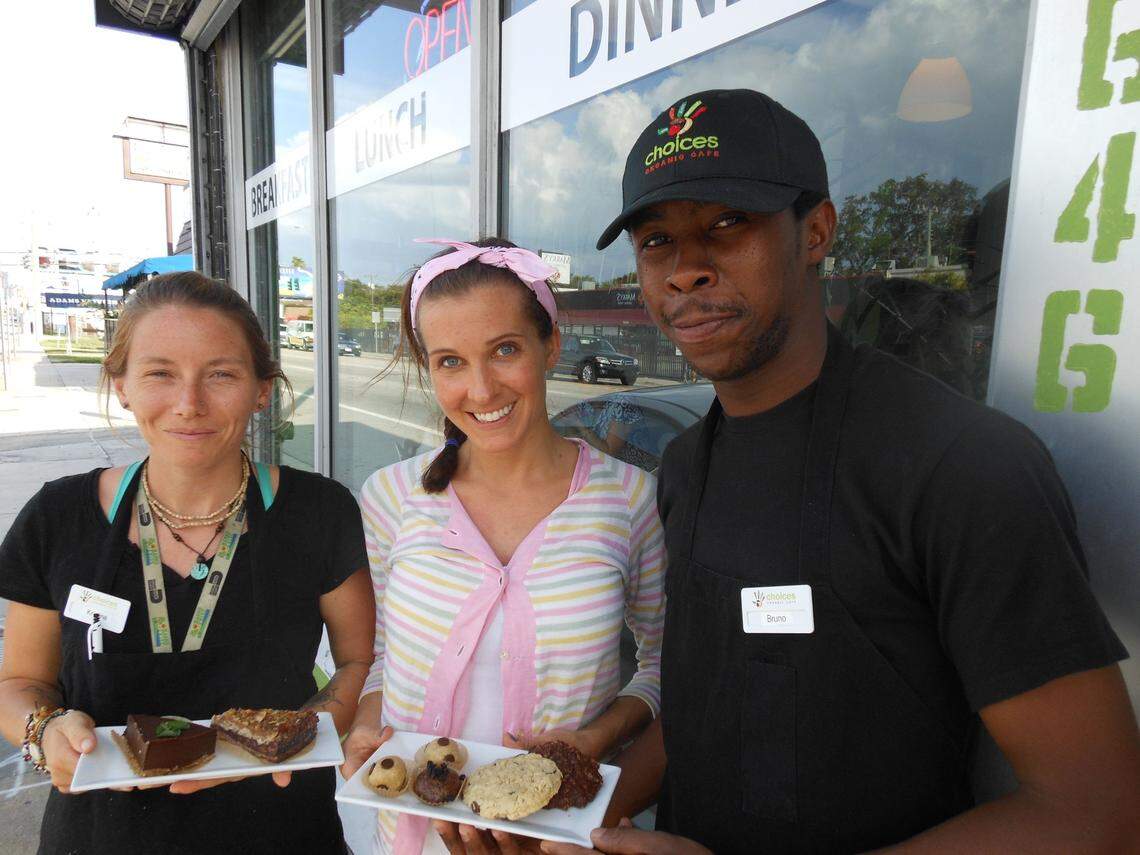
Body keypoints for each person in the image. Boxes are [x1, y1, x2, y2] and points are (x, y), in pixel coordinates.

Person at [547, 88, 1139, 853]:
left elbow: (1099, 810)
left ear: (817, 230)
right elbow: (706, 705)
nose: (685, 270)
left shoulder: (961, 465)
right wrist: (567, 825)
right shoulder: (687, 464)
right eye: (657, 239)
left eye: (729, 224)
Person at [0, 272, 374, 854]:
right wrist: (42, 731)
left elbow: (354, 663)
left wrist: (308, 736)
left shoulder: (320, 511)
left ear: (261, 389)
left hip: (283, 829)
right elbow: (20, 682)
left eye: (221, 374)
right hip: (99, 837)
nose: (188, 403)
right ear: (121, 384)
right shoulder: (56, 518)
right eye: (159, 373)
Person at [339, 239, 665, 854]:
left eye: (505, 350)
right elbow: (386, 653)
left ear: (551, 346)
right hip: (417, 837)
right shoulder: (390, 497)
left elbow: (663, 662)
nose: (481, 390)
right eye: (450, 362)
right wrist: (364, 724)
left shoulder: (628, 500)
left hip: (559, 838)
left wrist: (596, 737)